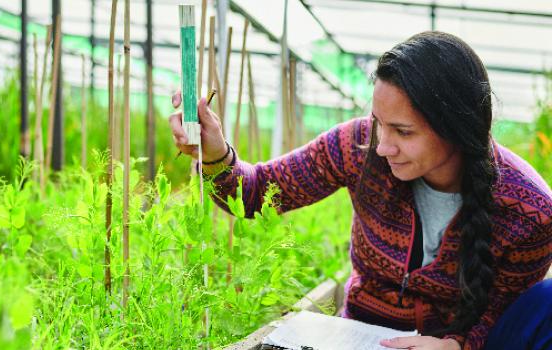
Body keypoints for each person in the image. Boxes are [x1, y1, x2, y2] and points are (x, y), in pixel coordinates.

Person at [168, 31, 552, 350]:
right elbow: (258, 193)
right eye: (379, 123)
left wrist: (457, 346)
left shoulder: (529, 210)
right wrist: (216, 153)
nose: (383, 146)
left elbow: (500, 311)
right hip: (358, 336)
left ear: (458, 127)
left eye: (403, 131)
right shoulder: (357, 146)